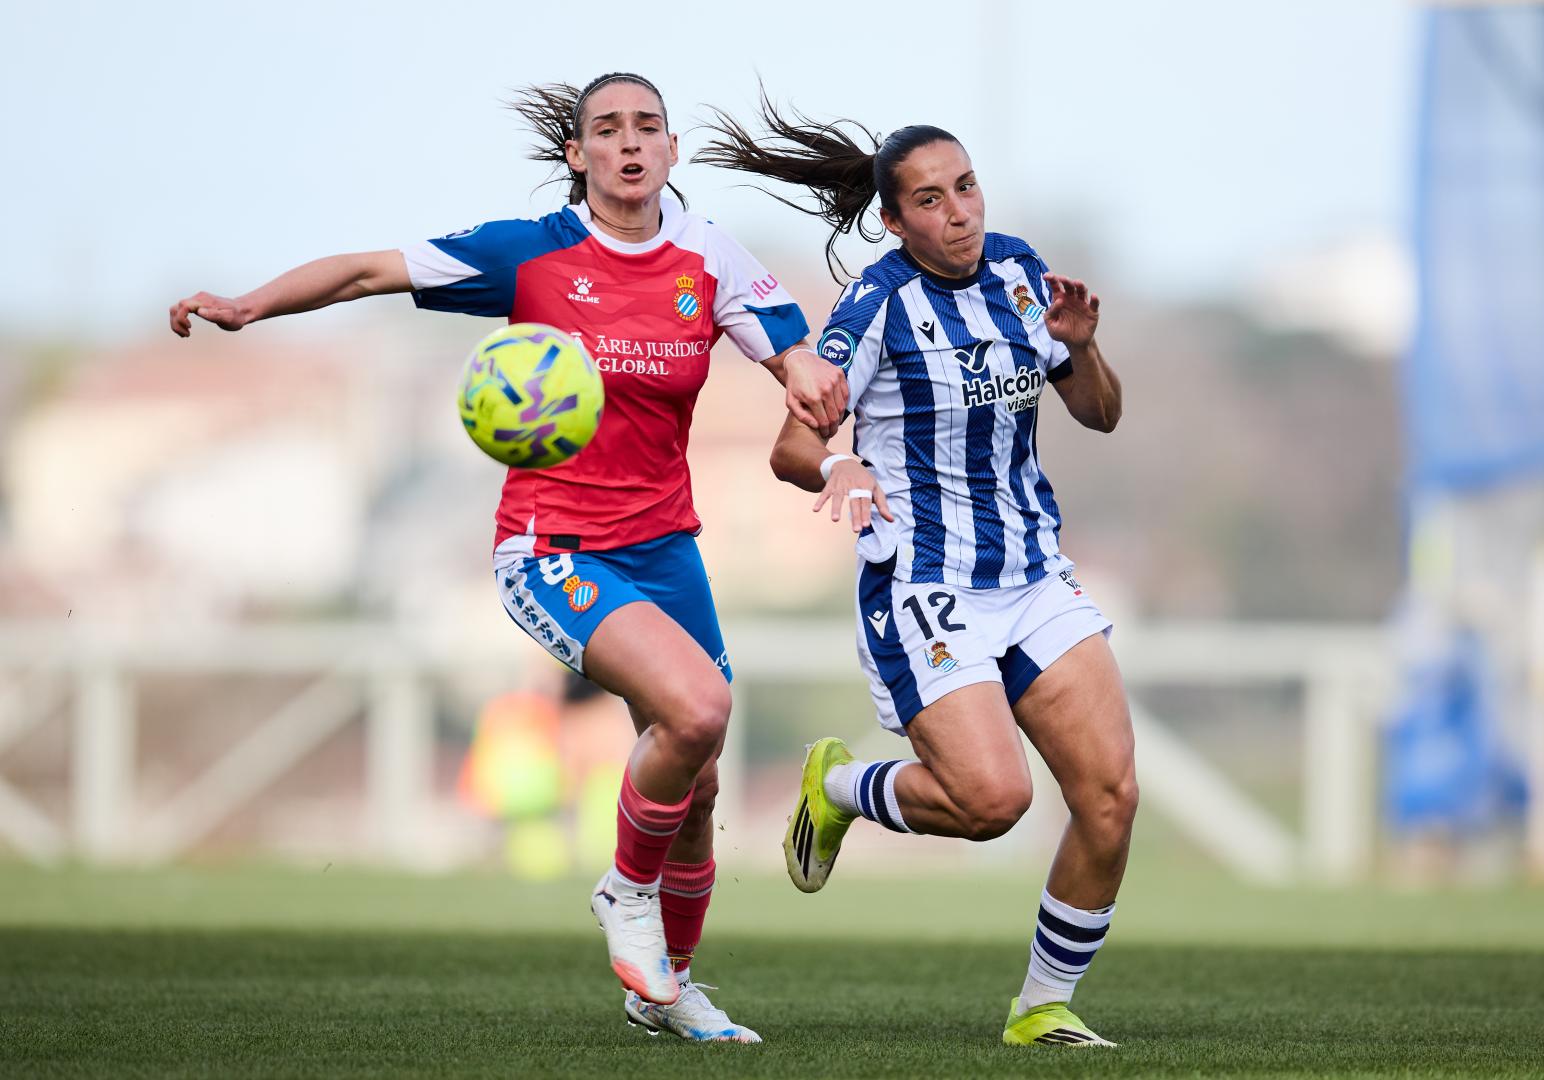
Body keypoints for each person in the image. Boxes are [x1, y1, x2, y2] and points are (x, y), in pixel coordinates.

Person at [169, 72, 848, 1044]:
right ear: (576, 155)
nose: (627, 142)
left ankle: (667, 991)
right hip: (553, 547)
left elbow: (790, 353)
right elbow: (370, 272)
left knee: (696, 782)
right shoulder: (531, 258)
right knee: (698, 708)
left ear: (669, 151)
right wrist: (247, 306)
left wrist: (809, 370)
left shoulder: (708, 257)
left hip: (665, 548)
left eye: (646, 127)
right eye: (606, 129)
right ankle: (623, 894)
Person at [697, 102, 1135, 1047]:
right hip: (925, 582)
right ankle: (842, 788)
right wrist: (840, 464)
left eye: (966, 187)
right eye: (931, 201)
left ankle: (1042, 1008)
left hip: (1031, 571)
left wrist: (1084, 344)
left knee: (1109, 799)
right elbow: (790, 445)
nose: (960, 212)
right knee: (992, 802)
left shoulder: (1021, 272)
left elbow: (1099, 414)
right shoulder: (874, 304)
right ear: (894, 222)